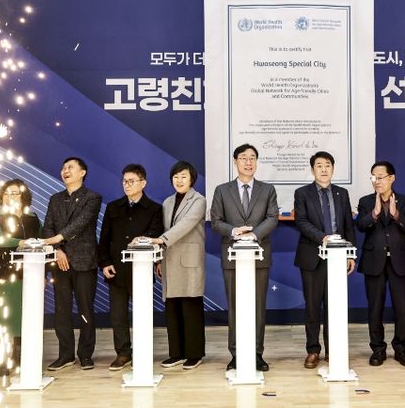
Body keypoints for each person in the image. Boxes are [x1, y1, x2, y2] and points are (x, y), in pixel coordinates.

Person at [210, 143, 279, 372]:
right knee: (235, 306)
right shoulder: (222, 190)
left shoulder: (267, 189)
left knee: (258, 306)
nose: (248, 162)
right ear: (235, 161)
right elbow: (216, 221)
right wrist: (234, 231)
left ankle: (257, 354)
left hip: (259, 254)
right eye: (243, 158)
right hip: (232, 255)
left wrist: (253, 234)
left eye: (252, 158)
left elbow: (272, 217)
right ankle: (236, 354)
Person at [97, 164, 163, 371]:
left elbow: (155, 236)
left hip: (141, 269)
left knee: (142, 313)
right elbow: (104, 238)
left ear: (143, 183)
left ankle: (143, 351)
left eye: (131, 181)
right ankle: (123, 353)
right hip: (116, 268)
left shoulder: (154, 209)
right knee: (118, 315)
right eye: (124, 181)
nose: (127, 185)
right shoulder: (113, 207)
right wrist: (105, 263)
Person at [293, 151, 356, 369]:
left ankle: (333, 349)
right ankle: (313, 350)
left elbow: (348, 225)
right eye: (319, 165)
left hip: (338, 257)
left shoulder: (342, 193)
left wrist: (350, 253)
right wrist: (323, 237)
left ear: (333, 168)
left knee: (334, 306)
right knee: (312, 306)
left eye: (327, 165)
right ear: (312, 170)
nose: (323, 169)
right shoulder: (302, 193)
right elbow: (301, 221)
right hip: (312, 256)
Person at [142, 161, 206, 370]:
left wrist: (161, 240)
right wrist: (159, 259)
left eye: (183, 177)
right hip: (169, 259)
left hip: (189, 261)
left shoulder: (199, 200)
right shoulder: (167, 202)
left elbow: (185, 225)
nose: (179, 180)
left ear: (192, 179)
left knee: (191, 306)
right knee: (172, 308)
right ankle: (176, 353)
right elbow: (164, 228)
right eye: (176, 177)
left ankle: (194, 354)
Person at [356, 161, 405, 367]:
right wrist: (374, 213)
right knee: (375, 308)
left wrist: (395, 214)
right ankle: (378, 349)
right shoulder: (365, 201)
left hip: (401, 261)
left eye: (380, 177)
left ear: (392, 178)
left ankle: (401, 349)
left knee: (402, 308)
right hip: (374, 261)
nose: (376, 181)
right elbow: (360, 226)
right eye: (373, 177)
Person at [42, 157, 102, 371]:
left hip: (84, 261)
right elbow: (47, 227)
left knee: (85, 309)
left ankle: (85, 354)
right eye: (63, 168)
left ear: (82, 172)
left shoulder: (92, 198)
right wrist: (57, 250)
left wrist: (59, 238)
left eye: (70, 167)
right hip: (60, 262)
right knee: (62, 310)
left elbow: (81, 223)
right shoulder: (55, 199)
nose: (65, 171)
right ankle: (65, 355)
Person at [0, 179, 41, 376]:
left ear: (24, 196)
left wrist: (43, 274)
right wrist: (22, 242)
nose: (11, 196)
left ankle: (20, 358)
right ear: (1, 197)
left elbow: (41, 242)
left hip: (28, 275)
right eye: (7, 193)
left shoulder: (32, 218)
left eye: (15, 193)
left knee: (23, 318)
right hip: (0, 275)